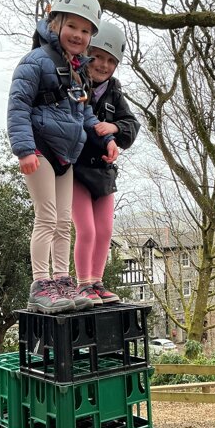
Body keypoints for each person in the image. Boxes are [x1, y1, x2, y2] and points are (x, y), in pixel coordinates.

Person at [7, 0, 119, 314]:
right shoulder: (36, 61)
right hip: (40, 149)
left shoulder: (78, 71)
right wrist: (24, 149)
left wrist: (106, 139)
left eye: (85, 30)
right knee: (46, 218)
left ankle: (61, 280)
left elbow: (85, 114)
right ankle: (41, 284)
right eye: (72, 26)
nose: (78, 35)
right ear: (54, 23)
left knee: (62, 223)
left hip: (66, 156)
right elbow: (18, 105)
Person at [72, 21, 140, 305]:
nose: (103, 65)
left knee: (105, 230)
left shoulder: (114, 92)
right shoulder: (74, 81)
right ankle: (83, 284)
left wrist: (114, 128)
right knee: (86, 229)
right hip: (76, 170)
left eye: (111, 61)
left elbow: (131, 126)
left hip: (103, 172)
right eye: (98, 56)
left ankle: (97, 282)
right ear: (86, 54)